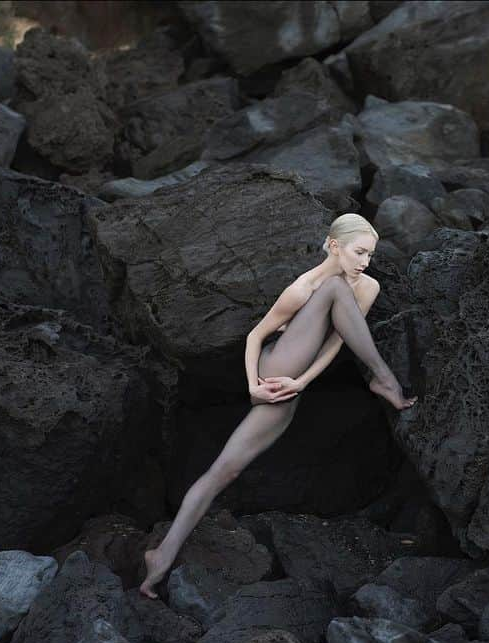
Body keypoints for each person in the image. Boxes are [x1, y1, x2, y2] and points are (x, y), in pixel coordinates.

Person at [139, 213, 417, 598]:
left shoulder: (366, 288)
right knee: (335, 288)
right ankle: (384, 379)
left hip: (293, 383)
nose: (365, 262)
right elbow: (256, 336)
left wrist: (302, 382)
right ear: (334, 245)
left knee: (224, 471)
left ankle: (162, 556)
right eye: (358, 252)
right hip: (274, 368)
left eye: (370, 254)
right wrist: (253, 387)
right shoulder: (305, 288)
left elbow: (339, 343)